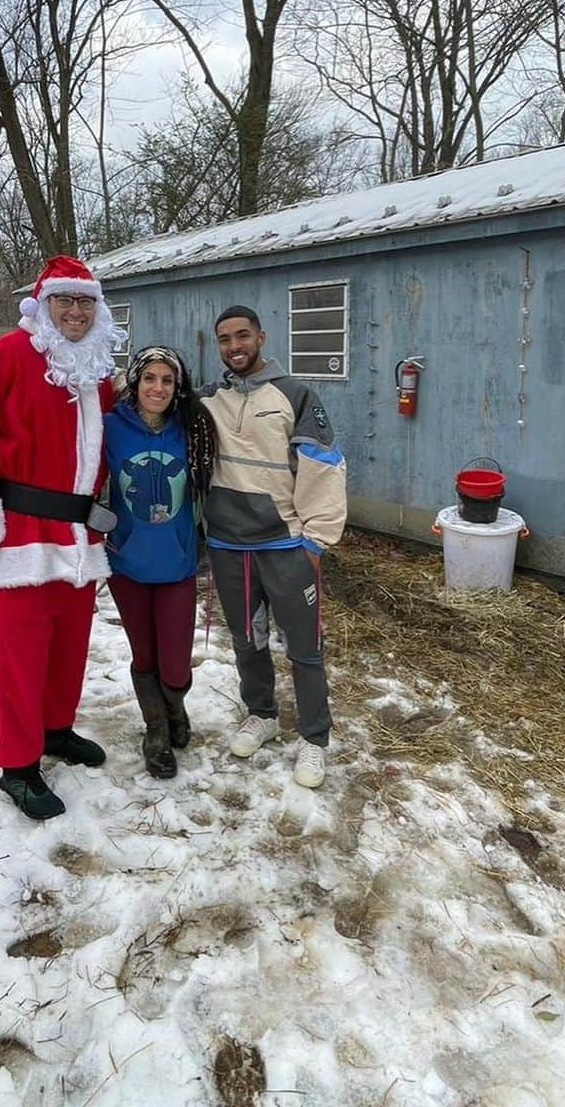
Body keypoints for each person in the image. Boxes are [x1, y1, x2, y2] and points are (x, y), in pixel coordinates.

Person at [0, 255, 125, 821]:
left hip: (79, 536)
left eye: (85, 302)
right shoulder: (5, 357)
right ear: (42, 307)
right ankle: (17, 766)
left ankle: (55, 730)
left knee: (69, 646)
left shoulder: (97, 370)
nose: (75, 311)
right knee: (18, 657)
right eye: (65, 301)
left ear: (98, 309)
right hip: (20, 532)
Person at [201, 306, 347, 788]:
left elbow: (324, 465)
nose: (234, 346)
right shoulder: (209, 399)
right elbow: (148, 396)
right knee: (248, 639)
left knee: (303, 647)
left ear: (261, 336)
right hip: (227, 545)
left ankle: (313, 738)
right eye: (225, 339)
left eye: (243, 335)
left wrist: (315, 541)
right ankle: (262, 714)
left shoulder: (296, 394)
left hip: (284, 545)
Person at [103, 346, 216, 779]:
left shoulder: (192, 428)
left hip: (178, 561)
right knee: (143, 652)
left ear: (178, 387)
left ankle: (176, 705)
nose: (158, 388)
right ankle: (156, 730)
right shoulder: (111, 427)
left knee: (174, 661)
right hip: (126, 561)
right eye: (149, 378)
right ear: (135, 382)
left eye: (167, 380)